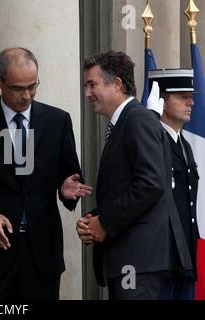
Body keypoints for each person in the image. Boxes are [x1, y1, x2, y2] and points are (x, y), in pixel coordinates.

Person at [0, 47, 92, 300]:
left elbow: (69, 177)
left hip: (43, 255)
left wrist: (66, 191)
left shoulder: (58, 121)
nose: (27, 95)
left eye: (33, 86)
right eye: (18, 88)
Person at [76, 51, 192, 300]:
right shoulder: (126, 122)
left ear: (117, 83)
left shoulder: (137, 120)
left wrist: (105, 223)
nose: (87, 93)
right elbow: (128, 186)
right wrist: (94, 220)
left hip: (138, 260)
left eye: (92, 84)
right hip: (131, 259)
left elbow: (151, 184)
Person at [148, 69, 199, 300]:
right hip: (163, 257)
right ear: (161, 100)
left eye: (191, 95)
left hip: (186, 255)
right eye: (182, 96)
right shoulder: (153, 142)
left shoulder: (184, 144)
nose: (191, 102)